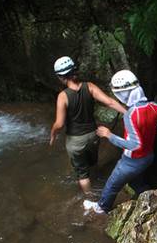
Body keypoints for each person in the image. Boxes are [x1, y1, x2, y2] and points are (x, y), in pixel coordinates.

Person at [83, 70, 157, 214]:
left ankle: (101, 208)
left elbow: (135, 145)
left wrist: (109, 135)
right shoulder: (154, 106)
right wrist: (154, 122)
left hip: (132, 160)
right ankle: (151, 198)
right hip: (149, 156)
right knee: (136, 182)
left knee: (112, 185)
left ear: (124, 94)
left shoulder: (131, 114)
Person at [50, 56, 127, 193]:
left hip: (76, 141)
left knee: (82, 174)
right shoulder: (90, 87)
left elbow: (59, 123)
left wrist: (53, 133)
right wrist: (128, 113)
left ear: (61, 77)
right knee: (93, 163)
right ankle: (97, 181)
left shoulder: (63, 96)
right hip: (93, 135)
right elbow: (109, 102)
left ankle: (89, 199)